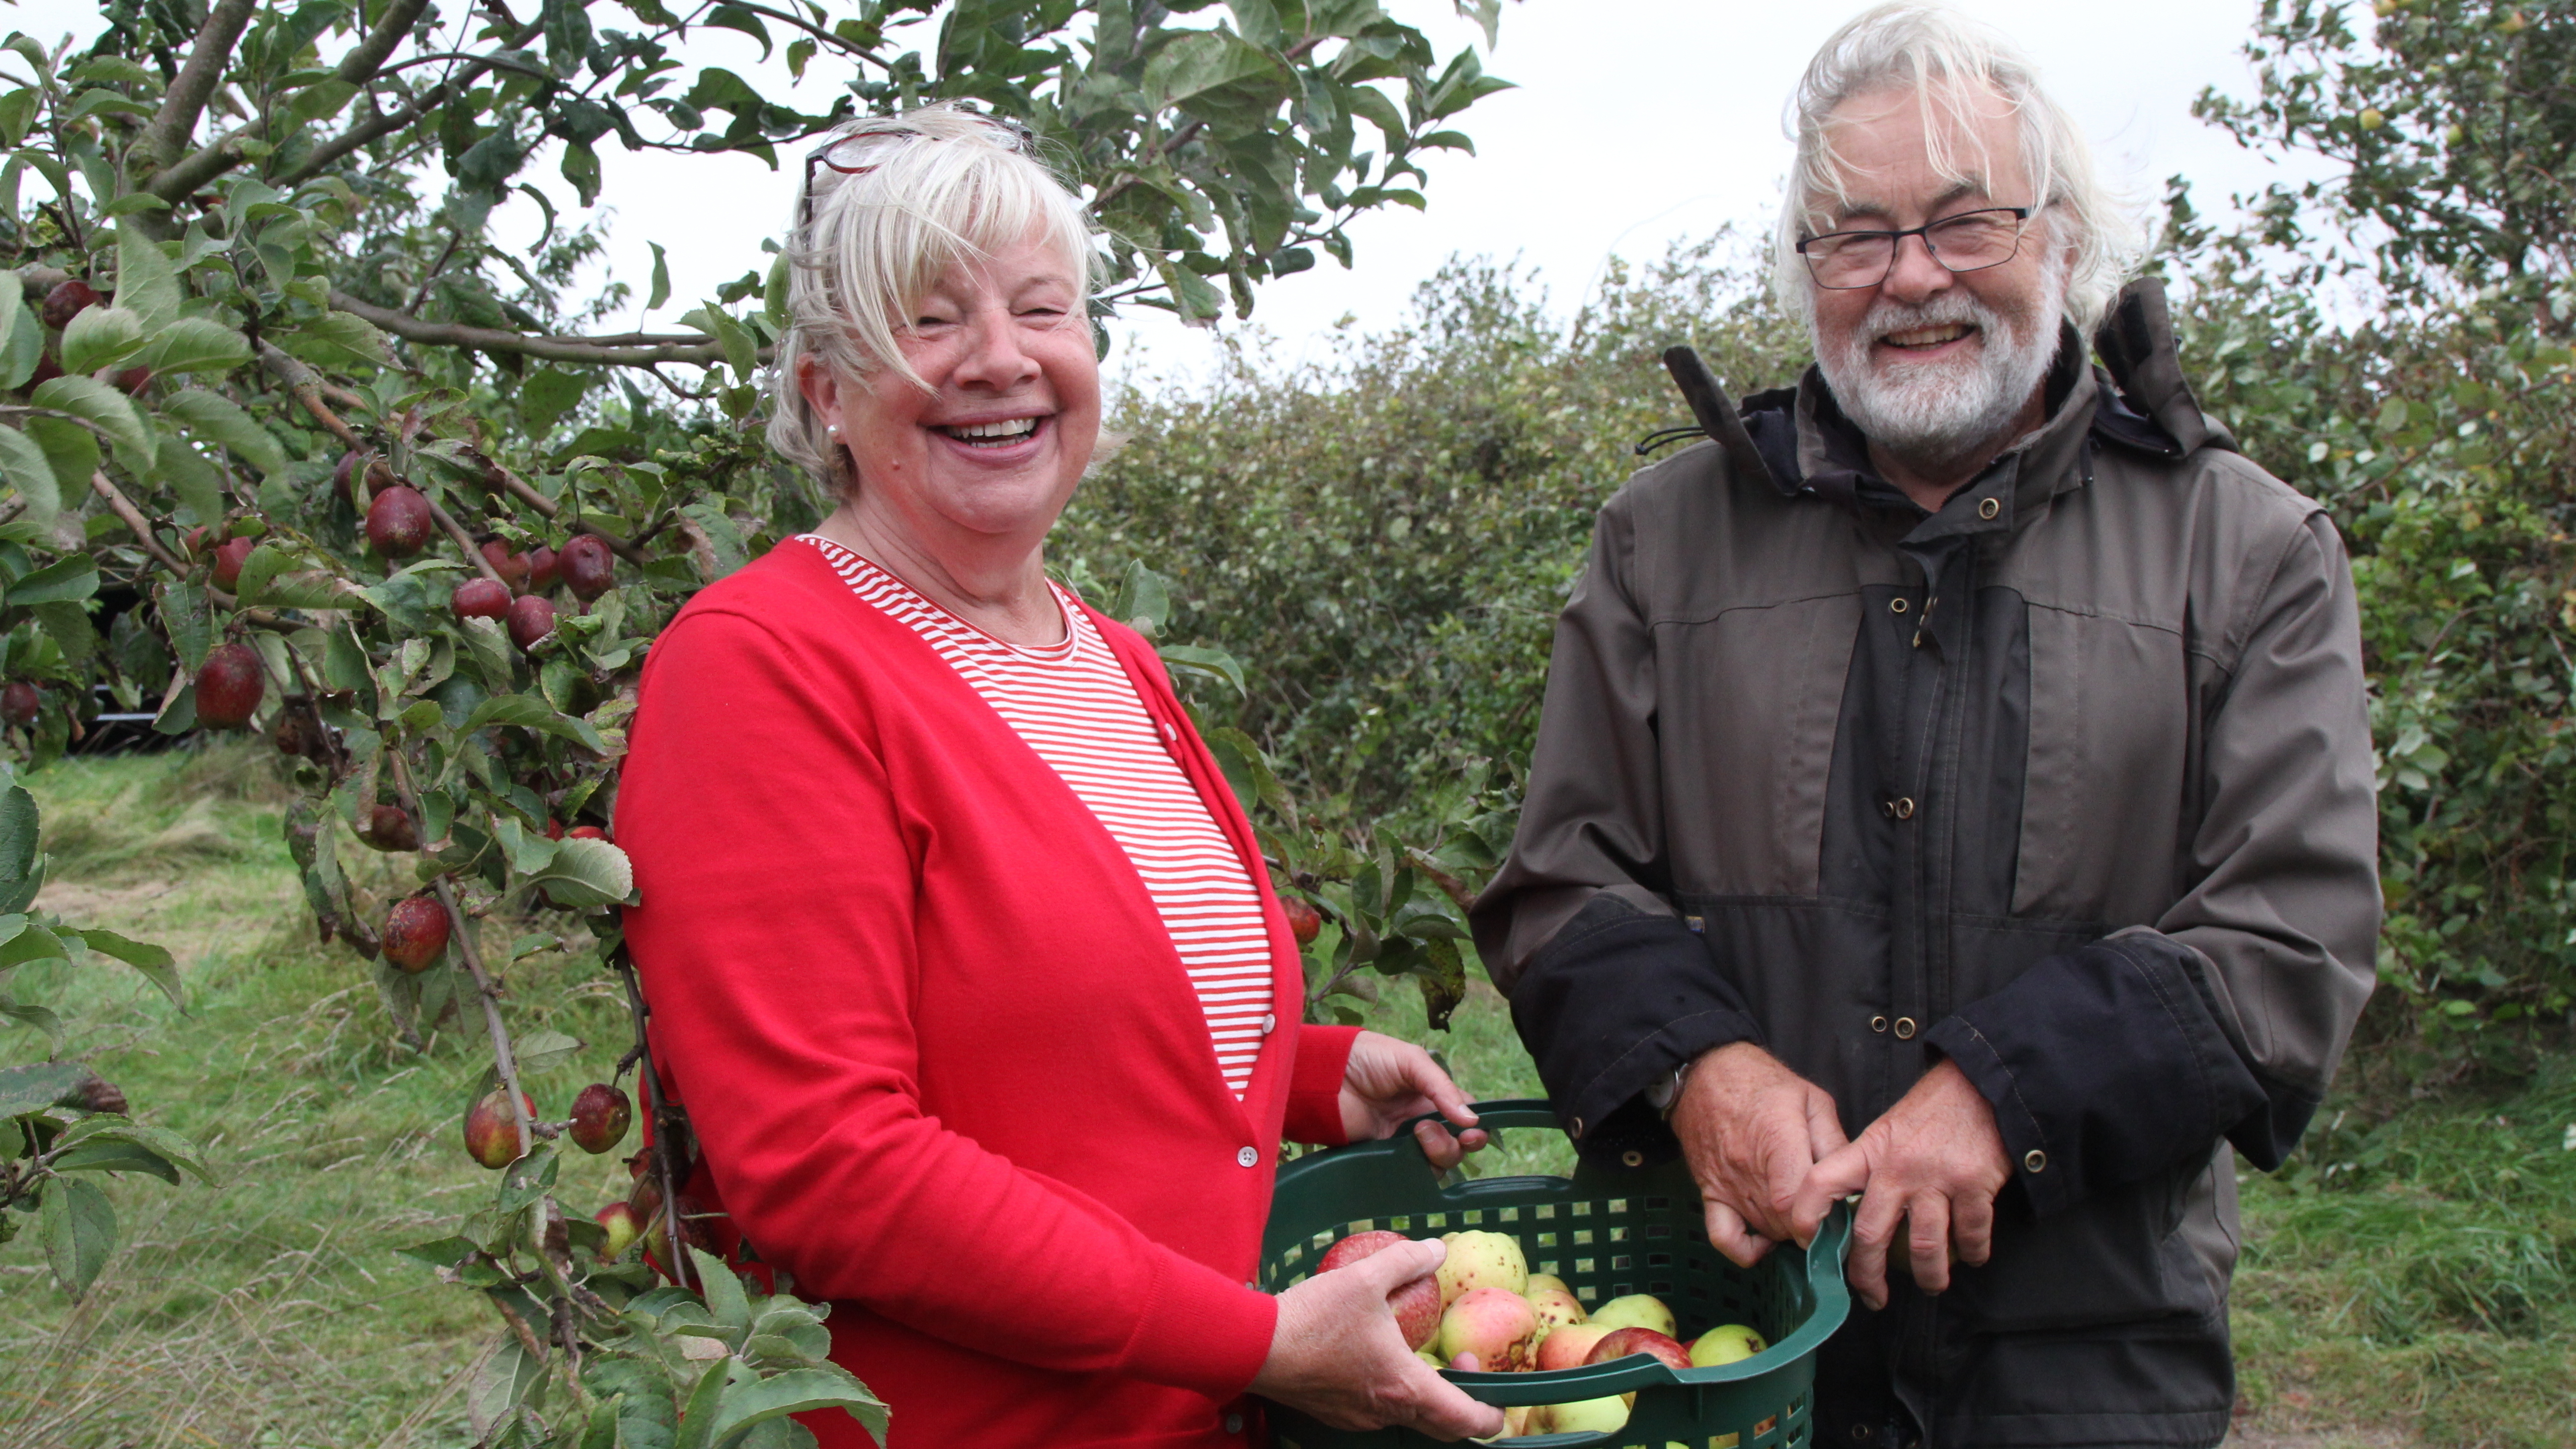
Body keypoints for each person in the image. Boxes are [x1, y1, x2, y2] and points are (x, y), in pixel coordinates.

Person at [1469, 7, 2380, 1447]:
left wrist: (2002, 1095)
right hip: (1741, 1326)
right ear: (1807, 267)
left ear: (2064, 241)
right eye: (1856, 234)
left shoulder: (2244, 550)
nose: (1911, 278)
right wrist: (1704, 1067)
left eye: (1967, 224)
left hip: (2092, 1352)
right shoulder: (1666, 544)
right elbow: (1566, 880)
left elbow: (2294, 937)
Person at [616, 104, 1508, 1448]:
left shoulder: (1108, 654)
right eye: (930, 320)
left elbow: (1060, 1041)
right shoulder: (760, 666)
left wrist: (1315, 1073)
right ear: (826, 394)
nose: (1001, 360)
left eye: (1042, 309)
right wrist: (1255, 1340)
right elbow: (831, 1168)